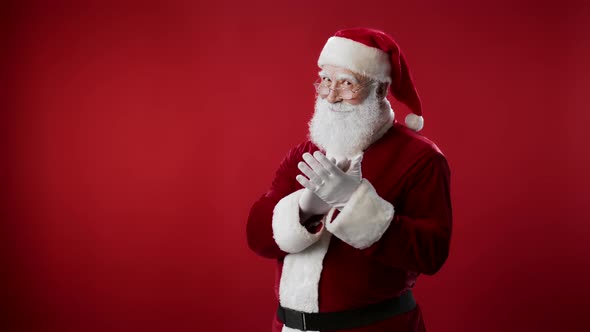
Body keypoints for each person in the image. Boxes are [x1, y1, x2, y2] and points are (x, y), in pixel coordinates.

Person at [246, 27, 453, 332]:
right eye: (326, 81)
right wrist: (305, 210)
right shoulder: (305, 152)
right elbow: (257, 236)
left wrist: (353, 202)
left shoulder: (421, 158)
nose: (331, 94)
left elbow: (431, 253)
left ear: (380, 89)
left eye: (346, 83)